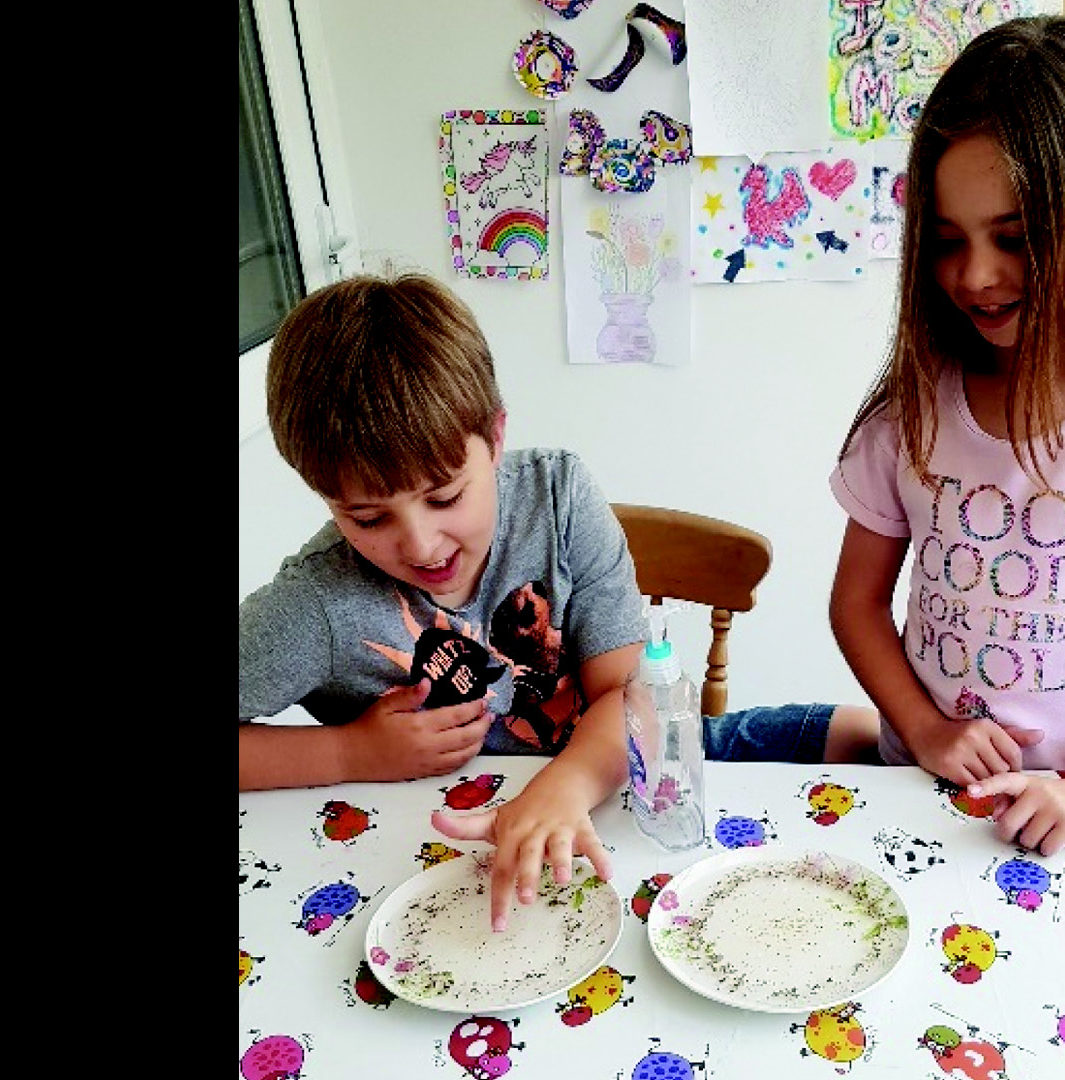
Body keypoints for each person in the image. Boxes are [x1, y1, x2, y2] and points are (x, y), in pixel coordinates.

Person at [240, 270, 879, 930]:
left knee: (845, 736)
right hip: (436, 866)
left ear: (495, 436)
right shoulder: (316, 603)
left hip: (610, 782)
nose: (421, 543)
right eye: (369, 519)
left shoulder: (560, 498)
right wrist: (350, 754)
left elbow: (633, 701)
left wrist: (565, 786)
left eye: (445, 497)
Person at [827, 15, 1065, 857]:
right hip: (917, 796)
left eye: (1015, 239)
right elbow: (856, 604)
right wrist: (924, 730)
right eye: (949, 242)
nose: (976, 276)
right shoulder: (915, 408)